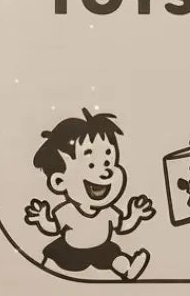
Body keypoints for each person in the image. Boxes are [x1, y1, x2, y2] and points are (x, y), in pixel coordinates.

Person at [24, 109, 154, 280]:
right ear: (59, 181)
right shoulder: (67, 211)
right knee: (55, 261)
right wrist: (42, 218)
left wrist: (135, 215)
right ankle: (42, 279)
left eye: (108, 162)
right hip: (69, 251)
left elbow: (122, 226)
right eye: (91, 165)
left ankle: (127, 268)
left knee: (114, 255)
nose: (106, 173)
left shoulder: (108, 212)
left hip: (101, 248)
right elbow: (53, 227)